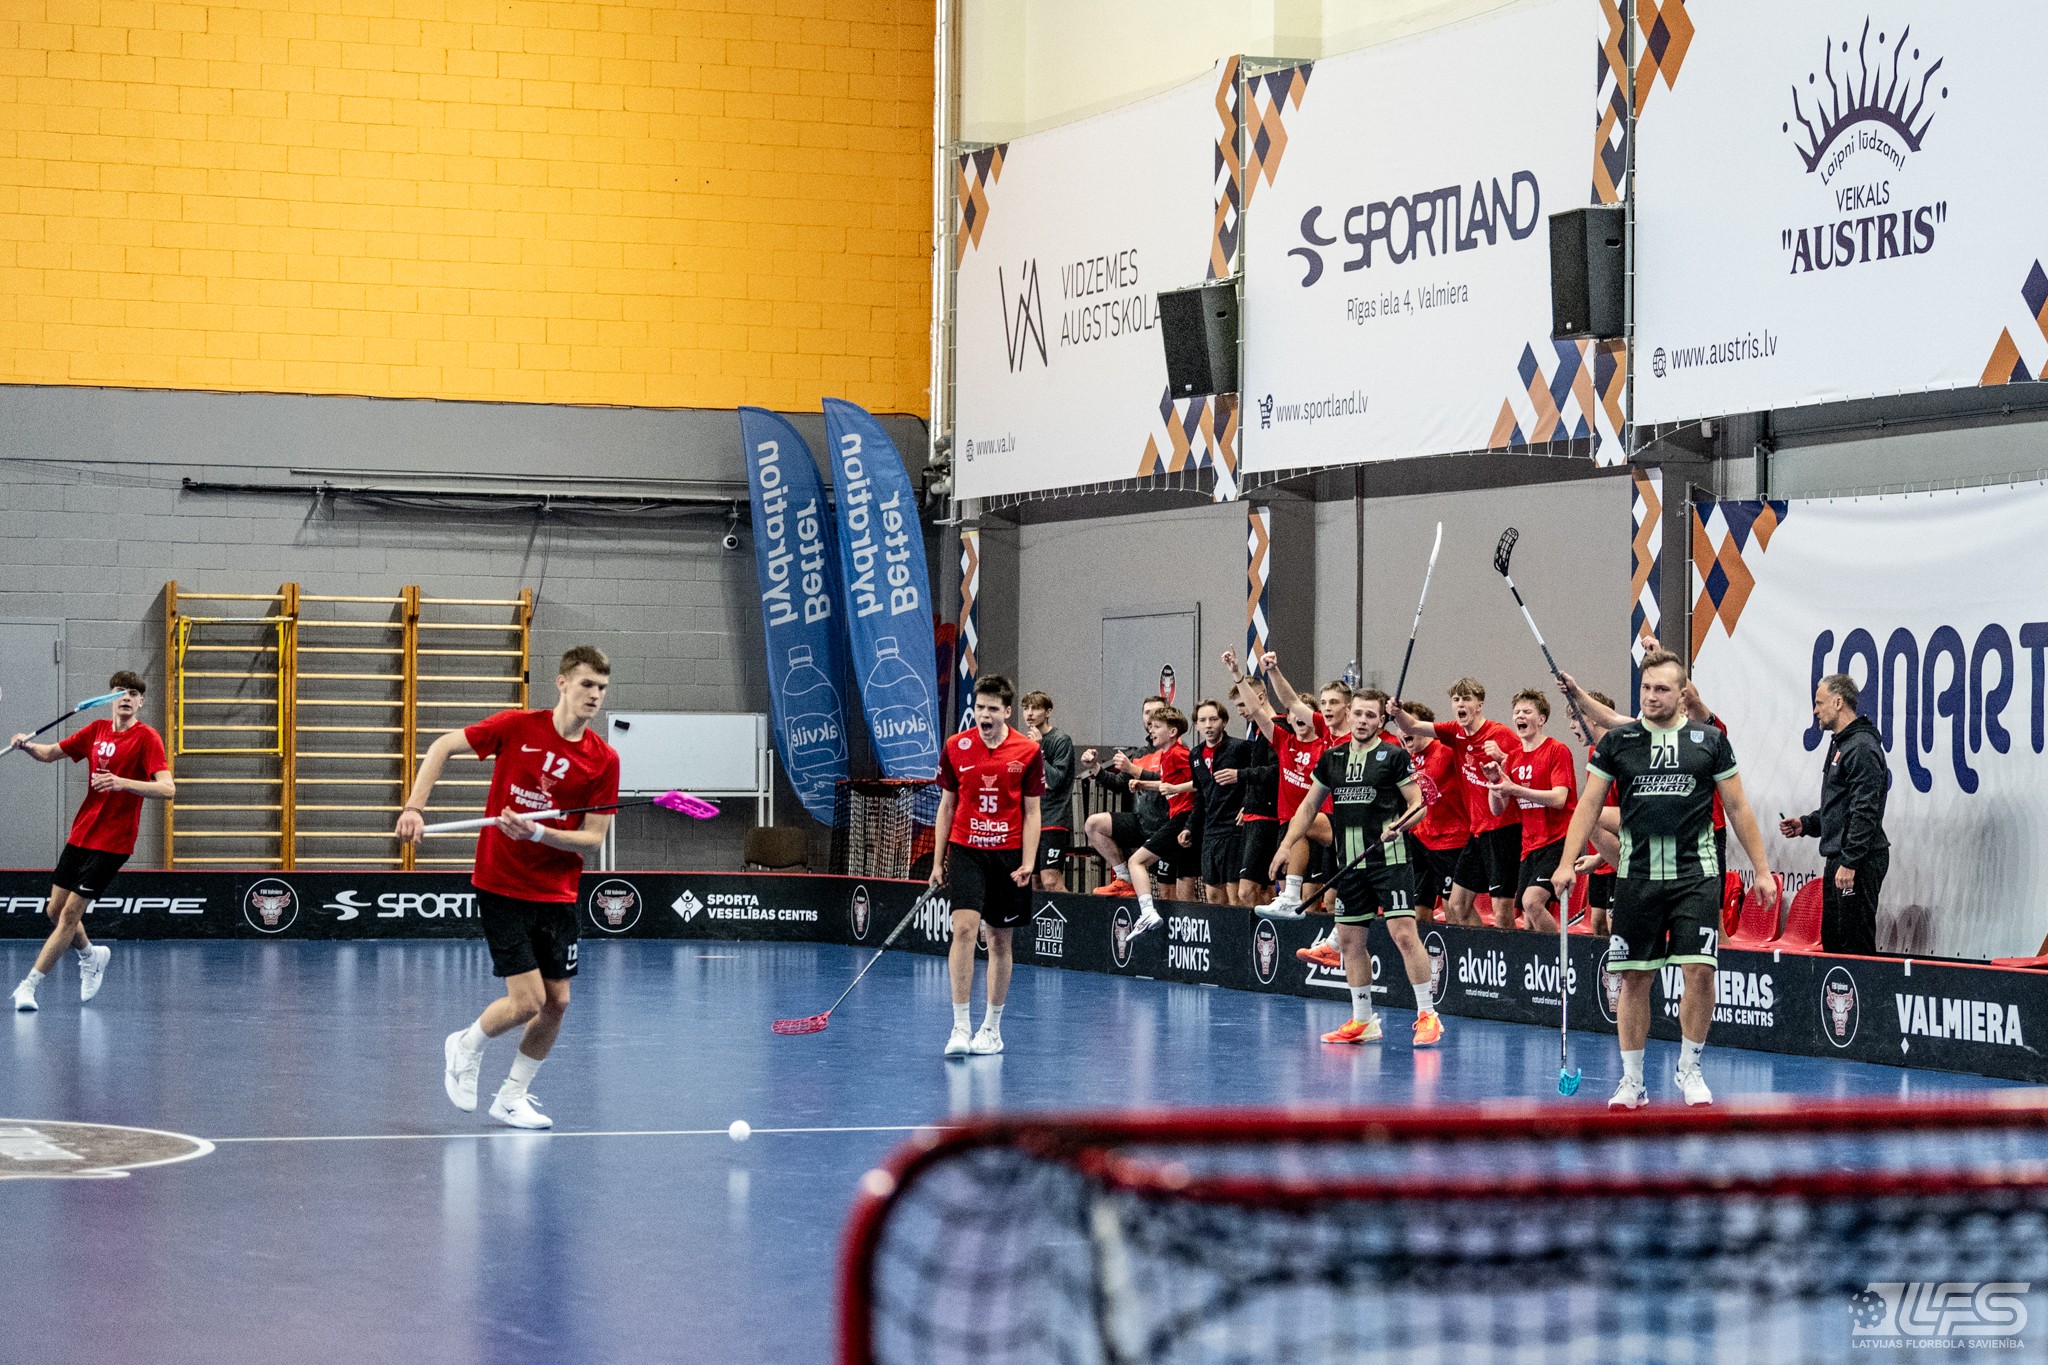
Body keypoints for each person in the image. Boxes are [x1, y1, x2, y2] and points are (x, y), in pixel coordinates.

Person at [403, 646, 621, 1130]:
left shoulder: (603, 760)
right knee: (527, 1002)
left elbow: (592, 839)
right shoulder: (517, 727)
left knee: (557, 1003)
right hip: (502, 883)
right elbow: (442, 746)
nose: (595, 695)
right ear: (562, 683)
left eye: (602, 688)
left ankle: (511, 1097)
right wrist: (415, 807)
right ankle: (465, 1046)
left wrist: (538, 832)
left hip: (557, 892)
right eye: (587, 684)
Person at [1552, 651, 1779, 1110]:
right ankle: (1632, 1080)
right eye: (1646, 688)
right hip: (1637, 877)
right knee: (1635, 978)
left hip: (1696, 874)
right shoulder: (1619, 743)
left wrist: (1761, 869)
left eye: (1661, 689)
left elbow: (1738, 807)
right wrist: (1565, 861)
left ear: (1682, 694)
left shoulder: (1710, 741)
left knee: (1700, 970)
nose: (1651, 696)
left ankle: (1689, 1067)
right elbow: (1590, 805)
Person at [1272, 690, 1439, 1046]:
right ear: (1349, 715)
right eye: (1358, 714)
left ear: (1381, 721)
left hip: (1389, 861)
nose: (1363, 720)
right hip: (1349, 863)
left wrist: (1401, 824)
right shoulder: (1332, 758)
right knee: (1349, 942)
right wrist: (1286, 845)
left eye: (1370, 715)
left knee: (1404, 934)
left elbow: (1419, 804)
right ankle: (1363, 1021)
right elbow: (1308, 807)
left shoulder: (1393, 756)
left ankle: (1428, 1015)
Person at [10, 672, 173, 1012]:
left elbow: (167, 788)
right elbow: (50, 752)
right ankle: (90, 955)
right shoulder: (96, 730)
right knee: (54, 911)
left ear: (141, 702)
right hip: (82, 833)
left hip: (114, 842)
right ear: (109, 697)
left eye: (133, 693)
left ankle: (28, 986)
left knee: (70, 914)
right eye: (120, 692)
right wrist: (26, 746)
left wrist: (122, 782)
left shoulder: (147, 738)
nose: (126, 697)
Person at [930, 674, 1044, 1057]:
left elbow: (1032, 811)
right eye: (979, 707)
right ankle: (960, 1027)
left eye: (992, 708)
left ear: (1007, 711)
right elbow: (947, 806)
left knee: (998, 939)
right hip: (966, 849)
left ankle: (991, 1029)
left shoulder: (1028, 750)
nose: (984, 715)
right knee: (963, 929)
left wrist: (1029, 861)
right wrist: (938, 861)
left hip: (1008, 855)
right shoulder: (956, 746)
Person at [1389, 678, 1519, 929]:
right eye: (1456, 699)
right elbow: (1412, 725)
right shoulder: (1454, 732)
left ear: (1479, 705)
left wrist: (1503, 757)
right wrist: (1397, 712)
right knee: (1458, 904)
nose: (1460, 704)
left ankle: (1509, 953)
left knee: (1502, 911)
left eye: (1466, 699)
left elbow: (1524, 764)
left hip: (1503, 829)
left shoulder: (1499, 733)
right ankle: (1479, 950)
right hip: (1477, 831)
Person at [1779, 673, 1889, 955]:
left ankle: (1866, 988)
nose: (1815, 711)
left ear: (1838, 702)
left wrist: (1851, 861)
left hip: (1858, 860)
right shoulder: (1842, 744)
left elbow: (1865, 810)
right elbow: (1840, 807)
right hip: (1841, 857)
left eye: (1819, 703)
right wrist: (1806, 824)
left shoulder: (1861, 747)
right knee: (1834, 943)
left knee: (1854, 946)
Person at [1483, 688, 1575, 934]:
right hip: (1530, 845)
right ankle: (1542, 957)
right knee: (1529, 917)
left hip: (1559, 840)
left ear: (1541, 719)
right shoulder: (1513, 758)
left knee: (1532, 902)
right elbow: (1497, 809)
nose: (1520, 716)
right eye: (1516, 712)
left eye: (1527, 711)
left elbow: (1559, 799)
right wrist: (1494, 783)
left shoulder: (1557, 750)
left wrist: (1515, 789)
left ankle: (1560, 953)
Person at [1081, 695, 1170, 897]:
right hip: (1141, 822)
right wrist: (1095, 767)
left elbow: (1170, 782)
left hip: (1166, 827)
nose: (1151, 718)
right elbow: (1119, 784)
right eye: (1147, 713)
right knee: (1094, 824)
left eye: (1156, 712)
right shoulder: (1140, 753)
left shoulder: (1176, 750)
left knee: (1167, 895)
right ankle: (1124, 878)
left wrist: (1134, 770)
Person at [1124, 705, 1194, 940]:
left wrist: (1176, 789)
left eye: (1156, 727)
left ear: (1172, 732)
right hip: (1178, 817)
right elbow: (1168, 781)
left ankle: (1147, 912)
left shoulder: (1179, 753)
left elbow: (1201, 781)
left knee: (1136, 861)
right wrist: (1144, 784)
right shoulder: (1165, 754)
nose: (1151, 731)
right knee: (1183, 881)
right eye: (1150, 726)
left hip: (1185, 818)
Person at [1398, 701, 1467, 922]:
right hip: (1420, 839)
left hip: (1450, 840)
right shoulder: (1405, 758)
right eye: (1399, 726)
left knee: (1453, 908)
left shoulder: (1447, 750)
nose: (1403, 731)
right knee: (1417, 911)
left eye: (1408, 725)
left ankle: (1461, 943)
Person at [1224, 679, 1282, 908]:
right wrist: (1248, 804)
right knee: (1262, 890)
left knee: (1246, 891)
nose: (1239, 711)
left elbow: (1277, 771)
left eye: (1242, 704)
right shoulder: (1259, 732)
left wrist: (1240, 774)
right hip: (1255, 813)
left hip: (1266, 818)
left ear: (1259, 698)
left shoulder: (1276, 729)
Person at [1187, 699, 1248, 906]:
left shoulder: (1240, 748)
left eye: (1213, 719)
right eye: (1202, 720)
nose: (1208, 725)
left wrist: (1248, 806)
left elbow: (1254, 781)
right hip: (1210, 829)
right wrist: (1189, 827)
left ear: (1224, 721)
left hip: (1234, 827)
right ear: (1196, 725)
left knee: (1234, 893)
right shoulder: (1195, 754)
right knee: (1212, 894)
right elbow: (1201, 794)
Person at [1020, 691, 1074, 894]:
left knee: (1050, 880)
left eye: (1035, 708)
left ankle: (1071, 915)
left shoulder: (1061, 740)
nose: (1029, 713)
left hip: (1054, 819)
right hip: (1031, 821)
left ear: (1048, 711)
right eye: (1026, 708)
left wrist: (1038, 749)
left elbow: (1055, 780)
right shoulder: (1023, 742)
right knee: (1034, 881)